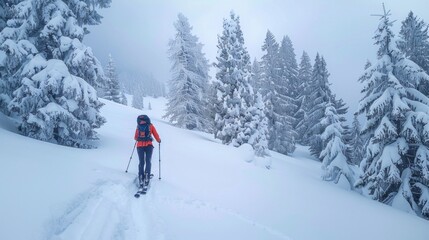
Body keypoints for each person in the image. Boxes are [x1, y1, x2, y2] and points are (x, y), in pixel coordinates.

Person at [134, 115, 161, 186]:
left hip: (139, 146)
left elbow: (135, 137)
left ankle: (140, 176)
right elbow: (156, 134)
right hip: (149, 146)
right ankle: (147, 176)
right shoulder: (150, 126)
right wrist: (159, 140)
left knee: (141, 161)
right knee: (148, 161)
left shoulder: (138, 126)